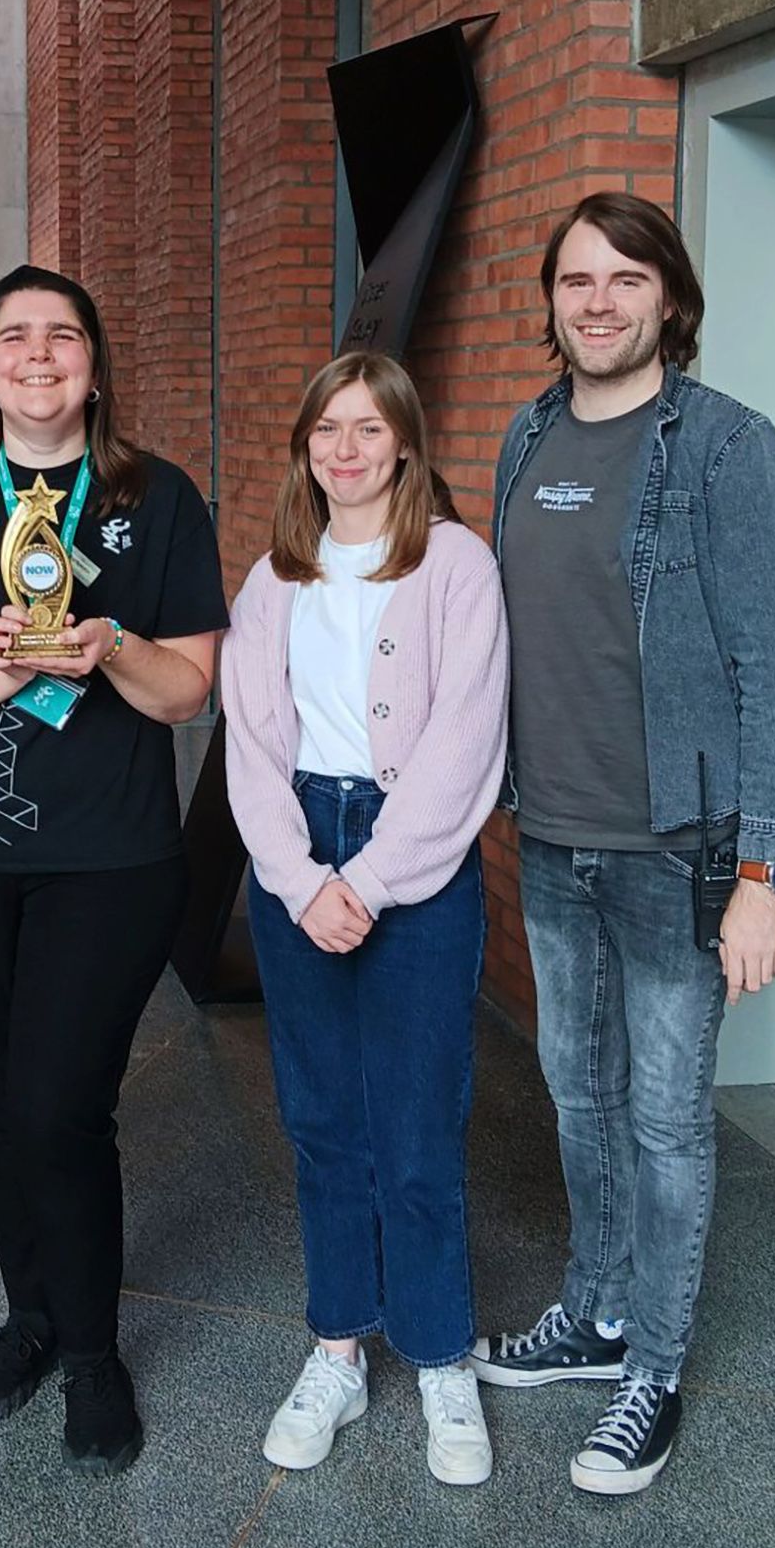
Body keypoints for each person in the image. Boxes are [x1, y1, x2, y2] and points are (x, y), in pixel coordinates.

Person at [469, 192, 775, 1494]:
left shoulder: (726, 447)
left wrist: (762, 877)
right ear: (550, 300)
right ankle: (598, 1308)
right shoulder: (530, 433)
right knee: (578, 1094)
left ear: (670, 298)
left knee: (669, 1119)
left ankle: (653, 1368)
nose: (599, 303)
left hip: (681, 850)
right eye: (576, 281)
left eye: (626, 280)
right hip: (555, 839)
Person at [0, 265, 226, 1476]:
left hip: (110, 857)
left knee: (59, 1105)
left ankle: (90, 1352)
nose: (36, 354)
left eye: (61, 335)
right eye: (12, 337)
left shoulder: (157, 496)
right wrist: (17, 661)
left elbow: (188, 688)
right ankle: (27, 1317)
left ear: (92, 363)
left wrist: (108, 640)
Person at [222, 351, 508, 1487]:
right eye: (325, 429)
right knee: (323, 1121)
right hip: (299, 847)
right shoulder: (271, 579)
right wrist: (300, 881)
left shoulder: (455, 564)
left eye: (367, 428)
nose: (345, 447)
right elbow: (248, 748)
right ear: (305, 449)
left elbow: (463, 743)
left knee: (418, 1127)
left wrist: (372, 880)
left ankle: (440, 1352)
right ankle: (336, 1345)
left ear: (403, 442)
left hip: (414, 861)